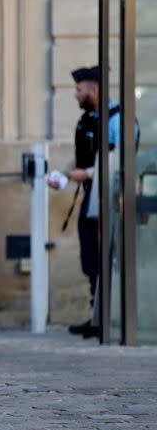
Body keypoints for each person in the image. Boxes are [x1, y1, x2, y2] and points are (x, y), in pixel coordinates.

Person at [47, 66, 128, 338]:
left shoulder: (117, 119)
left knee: (109, 256)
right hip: (90, 196)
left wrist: (87, 174)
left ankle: (110, 317)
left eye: (79, 90)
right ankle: (97, 315)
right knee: (90, 257)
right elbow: (82, 158)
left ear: (93, 90)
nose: (75, 95)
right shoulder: (86, 120)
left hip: (112, 195)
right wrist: (64, 175)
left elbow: (118, 160)